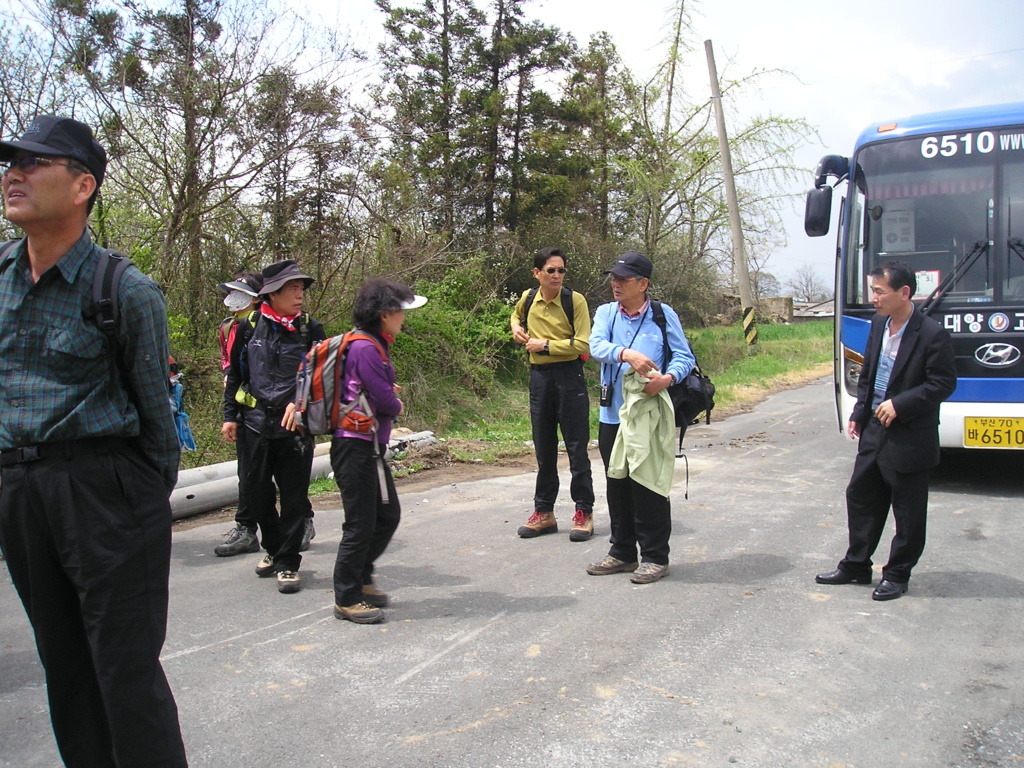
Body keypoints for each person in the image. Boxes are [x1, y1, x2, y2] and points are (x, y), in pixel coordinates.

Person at [0, 115, 188, 765]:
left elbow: (158, 424)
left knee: (125, 671)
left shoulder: (123, 290)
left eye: (34, 162)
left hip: (106, 490)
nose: (13, 173)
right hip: (20, 490)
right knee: (65, 668)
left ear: (82, 187)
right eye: (11, 161)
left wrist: (133, 499)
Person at [816, 261, 956, 601]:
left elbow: (942, 383)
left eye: (879, 291)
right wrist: (860, 412)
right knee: (861, 496)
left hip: (909, 433)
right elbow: (868, 374)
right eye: (872, 290)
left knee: (907, 509)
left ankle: (897, 574)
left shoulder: (932, 333)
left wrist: (901, 404)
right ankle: (856, 564)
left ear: (904, 293)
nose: (873, 298)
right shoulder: (878, 324)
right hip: (875, 429)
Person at [587, 252, 694, 584]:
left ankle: (655, 557)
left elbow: (684, 357)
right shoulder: (606, 313)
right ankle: (621, 553)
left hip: (647, 416)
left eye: (624, 279)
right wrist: (626, 353)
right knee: (616, 484)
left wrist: (667, 379)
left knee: (648, 484)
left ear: (643, 284)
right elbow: (595, 346)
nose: (615, 284)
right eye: (614, 279)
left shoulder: (662, 315)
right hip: (612, 416)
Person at [326, 278, 427, 624]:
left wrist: (385, 392)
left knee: (385, 515)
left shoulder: (369, 344)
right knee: (360, 524)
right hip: (355, 447)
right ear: (385, 314)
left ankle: (363, 579)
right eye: (400, 311)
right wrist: (394, 399)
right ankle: (347, 597)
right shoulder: (367, 348)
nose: (404, 318)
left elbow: (371, 390)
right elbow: (386, 402)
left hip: (367, 447)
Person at [223, 259, 325, 594]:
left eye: (300, 288)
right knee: (256, 494)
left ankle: (287, 563)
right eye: (292, 288)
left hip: (295, 429)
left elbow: (322, 377)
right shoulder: (249, 326)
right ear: (272, 293)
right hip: (254, 424)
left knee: (295, 497)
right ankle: (272, 546)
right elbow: (237, 376)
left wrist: (300, 401)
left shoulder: (311, 329)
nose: (299, 294)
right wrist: (229, 416)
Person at [511, 246, 595, 540]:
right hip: (539, 380)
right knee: (544, 448)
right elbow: (515, 315)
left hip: (569, 378)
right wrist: (515, 328)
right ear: (537, 274)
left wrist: (544, 345)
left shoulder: (576, 301)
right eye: (551, 270)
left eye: (561, 270)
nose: (557, 275)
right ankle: (544, 512)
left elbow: (583, 344)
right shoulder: (528, 297)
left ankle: (584, 511)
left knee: (576, 448)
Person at [213, 271, 264, 557]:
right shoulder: (228, 327)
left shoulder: (268, 325)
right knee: (247, 470)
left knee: (282, 469)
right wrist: (229, 412)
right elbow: (227, 361)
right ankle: (246, 528)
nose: (233, 298)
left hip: (275, 408)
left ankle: (302, 519)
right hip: (244, 407)